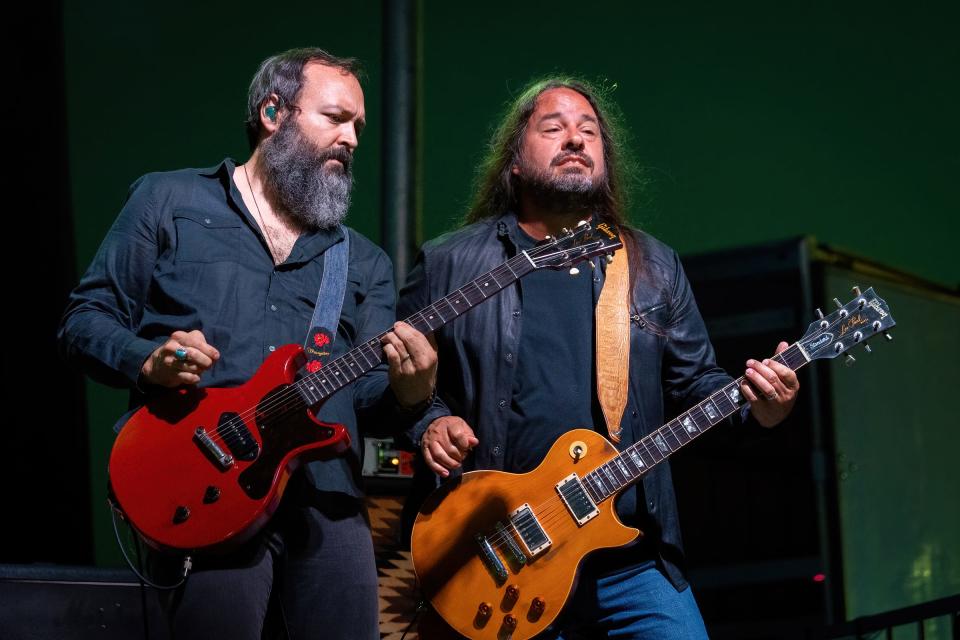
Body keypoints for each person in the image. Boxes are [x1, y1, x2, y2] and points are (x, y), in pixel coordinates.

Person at [399, 77, 799, 638]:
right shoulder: (451, 264)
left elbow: (697, 385)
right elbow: (388, 379)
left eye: (589, 132)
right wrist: (430, 419)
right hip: (499, 558)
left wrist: (762, 409)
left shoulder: (651, 266)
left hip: (629, 558)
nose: (575, 140)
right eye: (554, 128)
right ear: (514, 161)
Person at [58, 47, 437, 640]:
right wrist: (148, 362)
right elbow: (84, 321)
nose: (353, 139)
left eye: (359, 126)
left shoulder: (362, 261)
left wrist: (411, 394)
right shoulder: (169, 201)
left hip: (326, 500)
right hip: (202, 487)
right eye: (335, 118)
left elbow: (366, 400)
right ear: (272, 112)